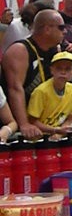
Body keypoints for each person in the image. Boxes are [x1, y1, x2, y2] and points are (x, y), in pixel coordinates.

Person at [0, 9, 66, 140]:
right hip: (18, 122)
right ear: (47, 29)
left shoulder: (56, 50)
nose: (64, 31)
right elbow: (15, 89)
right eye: (61, 27)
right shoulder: (20, 50)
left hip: (43, 120)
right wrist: (24, 124)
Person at [27, 51, 72, 138]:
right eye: (59, 68)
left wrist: (63, 131)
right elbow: (32, 121)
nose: (63, 72)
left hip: (59, 135)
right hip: (39, 137)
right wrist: (55, 130)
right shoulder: (41, 91)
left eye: (68, 69)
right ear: (52, 70)